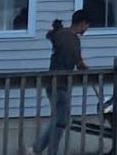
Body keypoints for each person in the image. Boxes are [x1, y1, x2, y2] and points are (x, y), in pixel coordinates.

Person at [26, 9, 90, 155]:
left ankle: (45, 150)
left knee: (61, 119)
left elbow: (55, 40)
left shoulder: (64, 35)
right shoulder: (70, 38)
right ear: (82, 23)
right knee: (60, 119)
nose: (87, 29)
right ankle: (37, 149)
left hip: (57, 83)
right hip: (58, 84)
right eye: (87, 26)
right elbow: (77, 61)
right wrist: (83, 67)